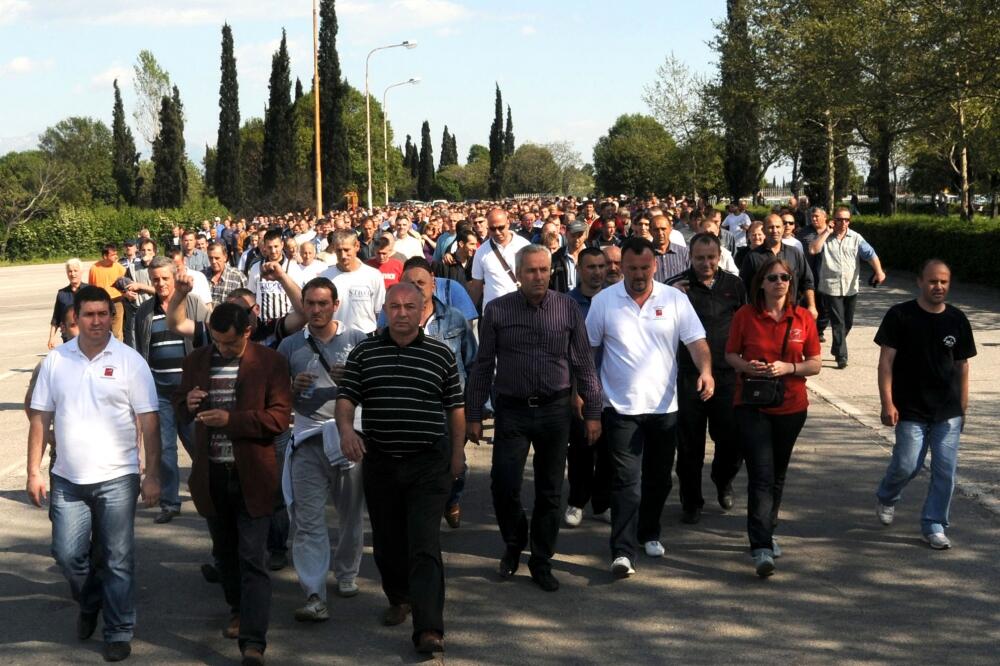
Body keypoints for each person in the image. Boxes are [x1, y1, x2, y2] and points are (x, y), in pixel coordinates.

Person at [27, 285, 161, 662]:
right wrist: (34, 470)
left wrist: (152, 474)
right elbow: (40, 418)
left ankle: (118, 630)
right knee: (67, 554)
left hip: (118, 476)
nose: (98, 321)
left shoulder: (130, 361)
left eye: (104, 314)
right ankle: (90, 600)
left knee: (118, 557)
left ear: (111, 316)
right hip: (68, 478)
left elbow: (150, 421)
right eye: (90, 314)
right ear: (77, 318)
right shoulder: (56, 362)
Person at [335, 282, 466, 655]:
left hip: (428, 462)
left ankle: (429, 628)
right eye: (395, 306)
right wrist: (346, 430)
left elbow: (455, 408)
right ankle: (399, 597)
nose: (403, 313)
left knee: (424, 544)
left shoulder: (441, 355)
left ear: (423, 309)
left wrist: (457, 455)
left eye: (411, 306)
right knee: (389, 543)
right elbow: (346, 399)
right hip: (380, 461)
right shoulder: (365, 353)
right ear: (385, 310)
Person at [467, 245, 602, 592]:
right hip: (512, 410)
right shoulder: (497, 310)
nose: (539, 276)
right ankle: (515, 542)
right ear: (518, 274)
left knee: (550, 490)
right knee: (504, 483)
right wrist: (474, 413)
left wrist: (592, 412)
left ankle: (541, 558)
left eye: (544, 270)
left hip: (555, 410)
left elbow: (584, 364)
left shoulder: (567, 308)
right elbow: (483, 365)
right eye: (531, 271)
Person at [586, 237, 713, 578]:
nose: (639, 274)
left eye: (645, 268)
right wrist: (588, 396)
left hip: (663, 408)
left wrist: (705, 371)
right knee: (627, 482)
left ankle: (649, 531)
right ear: (621, 267)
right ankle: (623, 551)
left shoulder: (674, 299)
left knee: (658, 479)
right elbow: (589, 353)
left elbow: (696, 341)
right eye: (632, 268)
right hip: (620, 408)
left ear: (654, 266)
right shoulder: (604, 302)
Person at [175, 303, 293, 666]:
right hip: (212, 475)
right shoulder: (197, 359)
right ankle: (237, 609)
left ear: (247, 331)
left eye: (228, 343)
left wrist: (231, 420)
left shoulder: (270, 361)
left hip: (254, 475)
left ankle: (253, 642)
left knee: (252, 557)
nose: (221, 350)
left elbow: (279, 418)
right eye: (215, 341)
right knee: (225, 554)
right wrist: (188, 403)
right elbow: (178, 407)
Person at [725, 257, 821, 577]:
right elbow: (730, 354)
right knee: (762, 475)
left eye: (785, 277)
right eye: (772, 277)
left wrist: (788, 368)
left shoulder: (803, 318)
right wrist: (747, 366)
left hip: (792, 405)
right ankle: (761, 546)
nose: (779, 282)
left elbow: (815, 363)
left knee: (777, 473)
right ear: (761, 283)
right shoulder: (745, 315)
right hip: (752, 405)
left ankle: (769, 526)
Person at [277, 278, 367, 621]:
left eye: (322, 304)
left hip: (348, 438)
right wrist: (289, 386)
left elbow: (373, 386)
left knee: (350, 513)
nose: (316, 311)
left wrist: (353, 381)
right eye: (310, 304)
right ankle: (314, 591)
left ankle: (346, 574)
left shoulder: (358, 340)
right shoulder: (289, 346)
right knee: (306, 518)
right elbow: (274, 393)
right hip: (306, 438)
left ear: (335, 304)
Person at [874, 260, 976, 550]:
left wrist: (962, 406)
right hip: (910, 409)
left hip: (947, 410)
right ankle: (887, 496)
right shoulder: (900, 316)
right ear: (919, 281)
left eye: (944, 282)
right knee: (907, 465)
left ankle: (934, 525)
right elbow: (885, 363)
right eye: (933, 281)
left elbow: (962, 366)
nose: (939, 287)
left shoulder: (956, 319)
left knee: (945, 471)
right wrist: (887, 402)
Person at [666, 234, 747, 524]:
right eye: (700, 258)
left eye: (711, 257)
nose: (706, 263)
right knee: (689, 445)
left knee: (732, 439)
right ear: (690, 256)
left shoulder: (734, 285)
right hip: (689, 375)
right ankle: (691, 501)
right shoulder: (676, 287)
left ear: (719, 255)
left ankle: (722, 478)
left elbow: (745, 325)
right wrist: (670, 294)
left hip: (727, 375)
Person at [398, 259, 478, 529]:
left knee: (457, 466)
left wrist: (477, 408)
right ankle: (423, 515)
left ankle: (451, 500)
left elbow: (472, 361)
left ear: (433, 283)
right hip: (411, 409)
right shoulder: (393, 319)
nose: (416, 288)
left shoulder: (454, 318)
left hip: (450, 407)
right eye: (409, 283)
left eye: (421, 282)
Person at [134, 256, 210, 524]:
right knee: (164, 448)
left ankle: (210, 492)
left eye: (165, 278)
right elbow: (139, 352)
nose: (161, 283)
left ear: (175, 276)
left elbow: (209, 342)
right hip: (160, 392)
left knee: (199, 445)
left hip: (190, 390)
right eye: (155, 280)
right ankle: (170, 502)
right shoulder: (144, 312)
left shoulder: (194, 304)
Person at [563, 248, 612, 527]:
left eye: (601, 266)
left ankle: (602, 502)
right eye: (590, 267)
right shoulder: (567, 302)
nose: (597, 272)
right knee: (581, 447)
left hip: (613, 385)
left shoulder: (616, 299)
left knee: (608, 450)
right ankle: (577, 500)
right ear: (579, 269)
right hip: (579, 386)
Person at [807, 207, 886, 369]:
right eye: (839, 219)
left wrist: (879, 271)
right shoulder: (825, 237)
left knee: (848, 322)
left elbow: (870, 254)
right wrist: (826, 232)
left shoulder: (856, 238)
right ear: (833, 220)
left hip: (851, 287)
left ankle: (837, 347)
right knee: (838, 322)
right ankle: (842, 356)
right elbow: (813, 249)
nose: (843, 223)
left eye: (846, 220)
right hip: (830, 287)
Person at [739, 214, 818, 320]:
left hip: (791, 313)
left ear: (783, 228)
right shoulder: (752, 256)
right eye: (770, 227)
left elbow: (808, 282)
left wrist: (811, 306)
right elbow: (744, 287)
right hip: (762, 315)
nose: (775, 230)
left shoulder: (795, 253)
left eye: (778, 227)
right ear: (764, 230)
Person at [320, 230, 386, 334]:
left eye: (347, 250)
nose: (343, 255)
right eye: (338, 250)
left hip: (366, 336)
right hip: (335, 336)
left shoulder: (373, 275)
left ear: (357, 246)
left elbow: (380, 311)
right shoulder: (325, 277)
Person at [247, 229, 305, 345]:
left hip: (286, 324)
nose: (273, 251)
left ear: (282, 245)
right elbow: (251, 295)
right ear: (264, 247)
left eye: (276, 246)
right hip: (263, 327)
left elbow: (300, 298)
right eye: (269, 247)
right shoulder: (256, 268)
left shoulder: (293, 268)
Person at [467, 208, 531, 308]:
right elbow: (476, 287)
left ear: (508, 223)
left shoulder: (524, 246)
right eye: (492, 229)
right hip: (493, 313)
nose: (497, 232)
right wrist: (468, 314)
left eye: (501, 227)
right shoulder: (481, 252)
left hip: (521, 309)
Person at [88, 243, 127, 341]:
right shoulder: (94, 268)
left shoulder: (119, 267)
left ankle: (117, 353)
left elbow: (127, 281)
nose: (116, 256)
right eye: (113, 255)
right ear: (105, 256)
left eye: (116, 254)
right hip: (101, 303)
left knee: (117, 333)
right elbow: (91, 288)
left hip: (117, 302)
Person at [48, 258, 86, 349]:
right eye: (70, 271)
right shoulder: (62, 294)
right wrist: (51, 337)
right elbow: (56, 318)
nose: (72, 274)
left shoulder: (89, 290)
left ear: (81, 272)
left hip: (87, 336)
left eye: (75, 271)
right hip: (68, 337)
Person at [549, 220, 590, 293]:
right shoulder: (556, 257)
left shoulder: (593, 256)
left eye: (580, 235)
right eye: (573, 235)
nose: (577, 239)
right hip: (562, 300)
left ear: (585, 236)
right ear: (566, 234)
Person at [206, 241, 248, 306]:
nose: (213, 261)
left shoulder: (238, 277)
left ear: (225, 257)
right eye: (210, 258)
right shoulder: (202, 276)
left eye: (217, 258)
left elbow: (247, 302)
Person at [651, 214, 690, 283]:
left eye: (663, 229)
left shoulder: (684, 253)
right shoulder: (645, 254)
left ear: (670, 229)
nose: (660, 233)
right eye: (656, 230)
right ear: (650, 231)